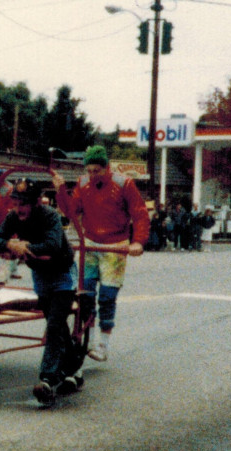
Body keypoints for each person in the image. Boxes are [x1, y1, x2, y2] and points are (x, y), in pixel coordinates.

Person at [52, 145, 149, 362]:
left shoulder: (124, 184)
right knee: (85, 295)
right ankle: (88, 340)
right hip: (90, 244)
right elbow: (71, 210)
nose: (93, 175)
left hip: (115, 246)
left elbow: (140, 214)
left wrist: (138, 242)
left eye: (97, 170)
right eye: (89, 170)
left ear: (106, 168)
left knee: (107, 297)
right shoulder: (83, 183)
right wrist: (60, 191)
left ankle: (103, 345)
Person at [0, 180, 81, 406]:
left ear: (37, 203)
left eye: (25, 203)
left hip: (61, 274)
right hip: (40, 274)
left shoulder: (50, 216)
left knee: (54, 325)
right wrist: (11, 244)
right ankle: (73, 364)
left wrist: (25, 246)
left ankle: (47, 379)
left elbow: (53, 245)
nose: (19, 208)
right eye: (17, 202)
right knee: (56, 323)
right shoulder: (13, 217)